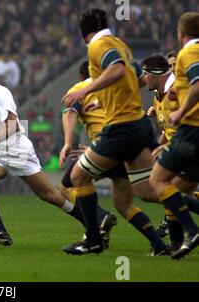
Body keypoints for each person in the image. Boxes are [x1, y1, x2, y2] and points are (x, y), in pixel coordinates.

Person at [62, 8, 168, 255]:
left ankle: (93, 236)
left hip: (114, 137)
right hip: (137, 129)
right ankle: (161, 243)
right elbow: (138, 76)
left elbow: (70, 112)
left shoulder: (95, 56)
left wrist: (82, 94)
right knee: (139, 196)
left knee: (72, 181)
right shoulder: (121, 45)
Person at [0, 66, 91, 247]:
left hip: (16, 150)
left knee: (49, 195)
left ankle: (91, 223)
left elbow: (12, 126)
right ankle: (1, 231)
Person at [149, 12, 199, 259]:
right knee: (178, 191)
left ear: (181, 34)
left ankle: (191, 230)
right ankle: (179, 241)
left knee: (158, 181)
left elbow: (198, 85)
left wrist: (180, 111)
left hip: (191, 128)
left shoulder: (189, 52)